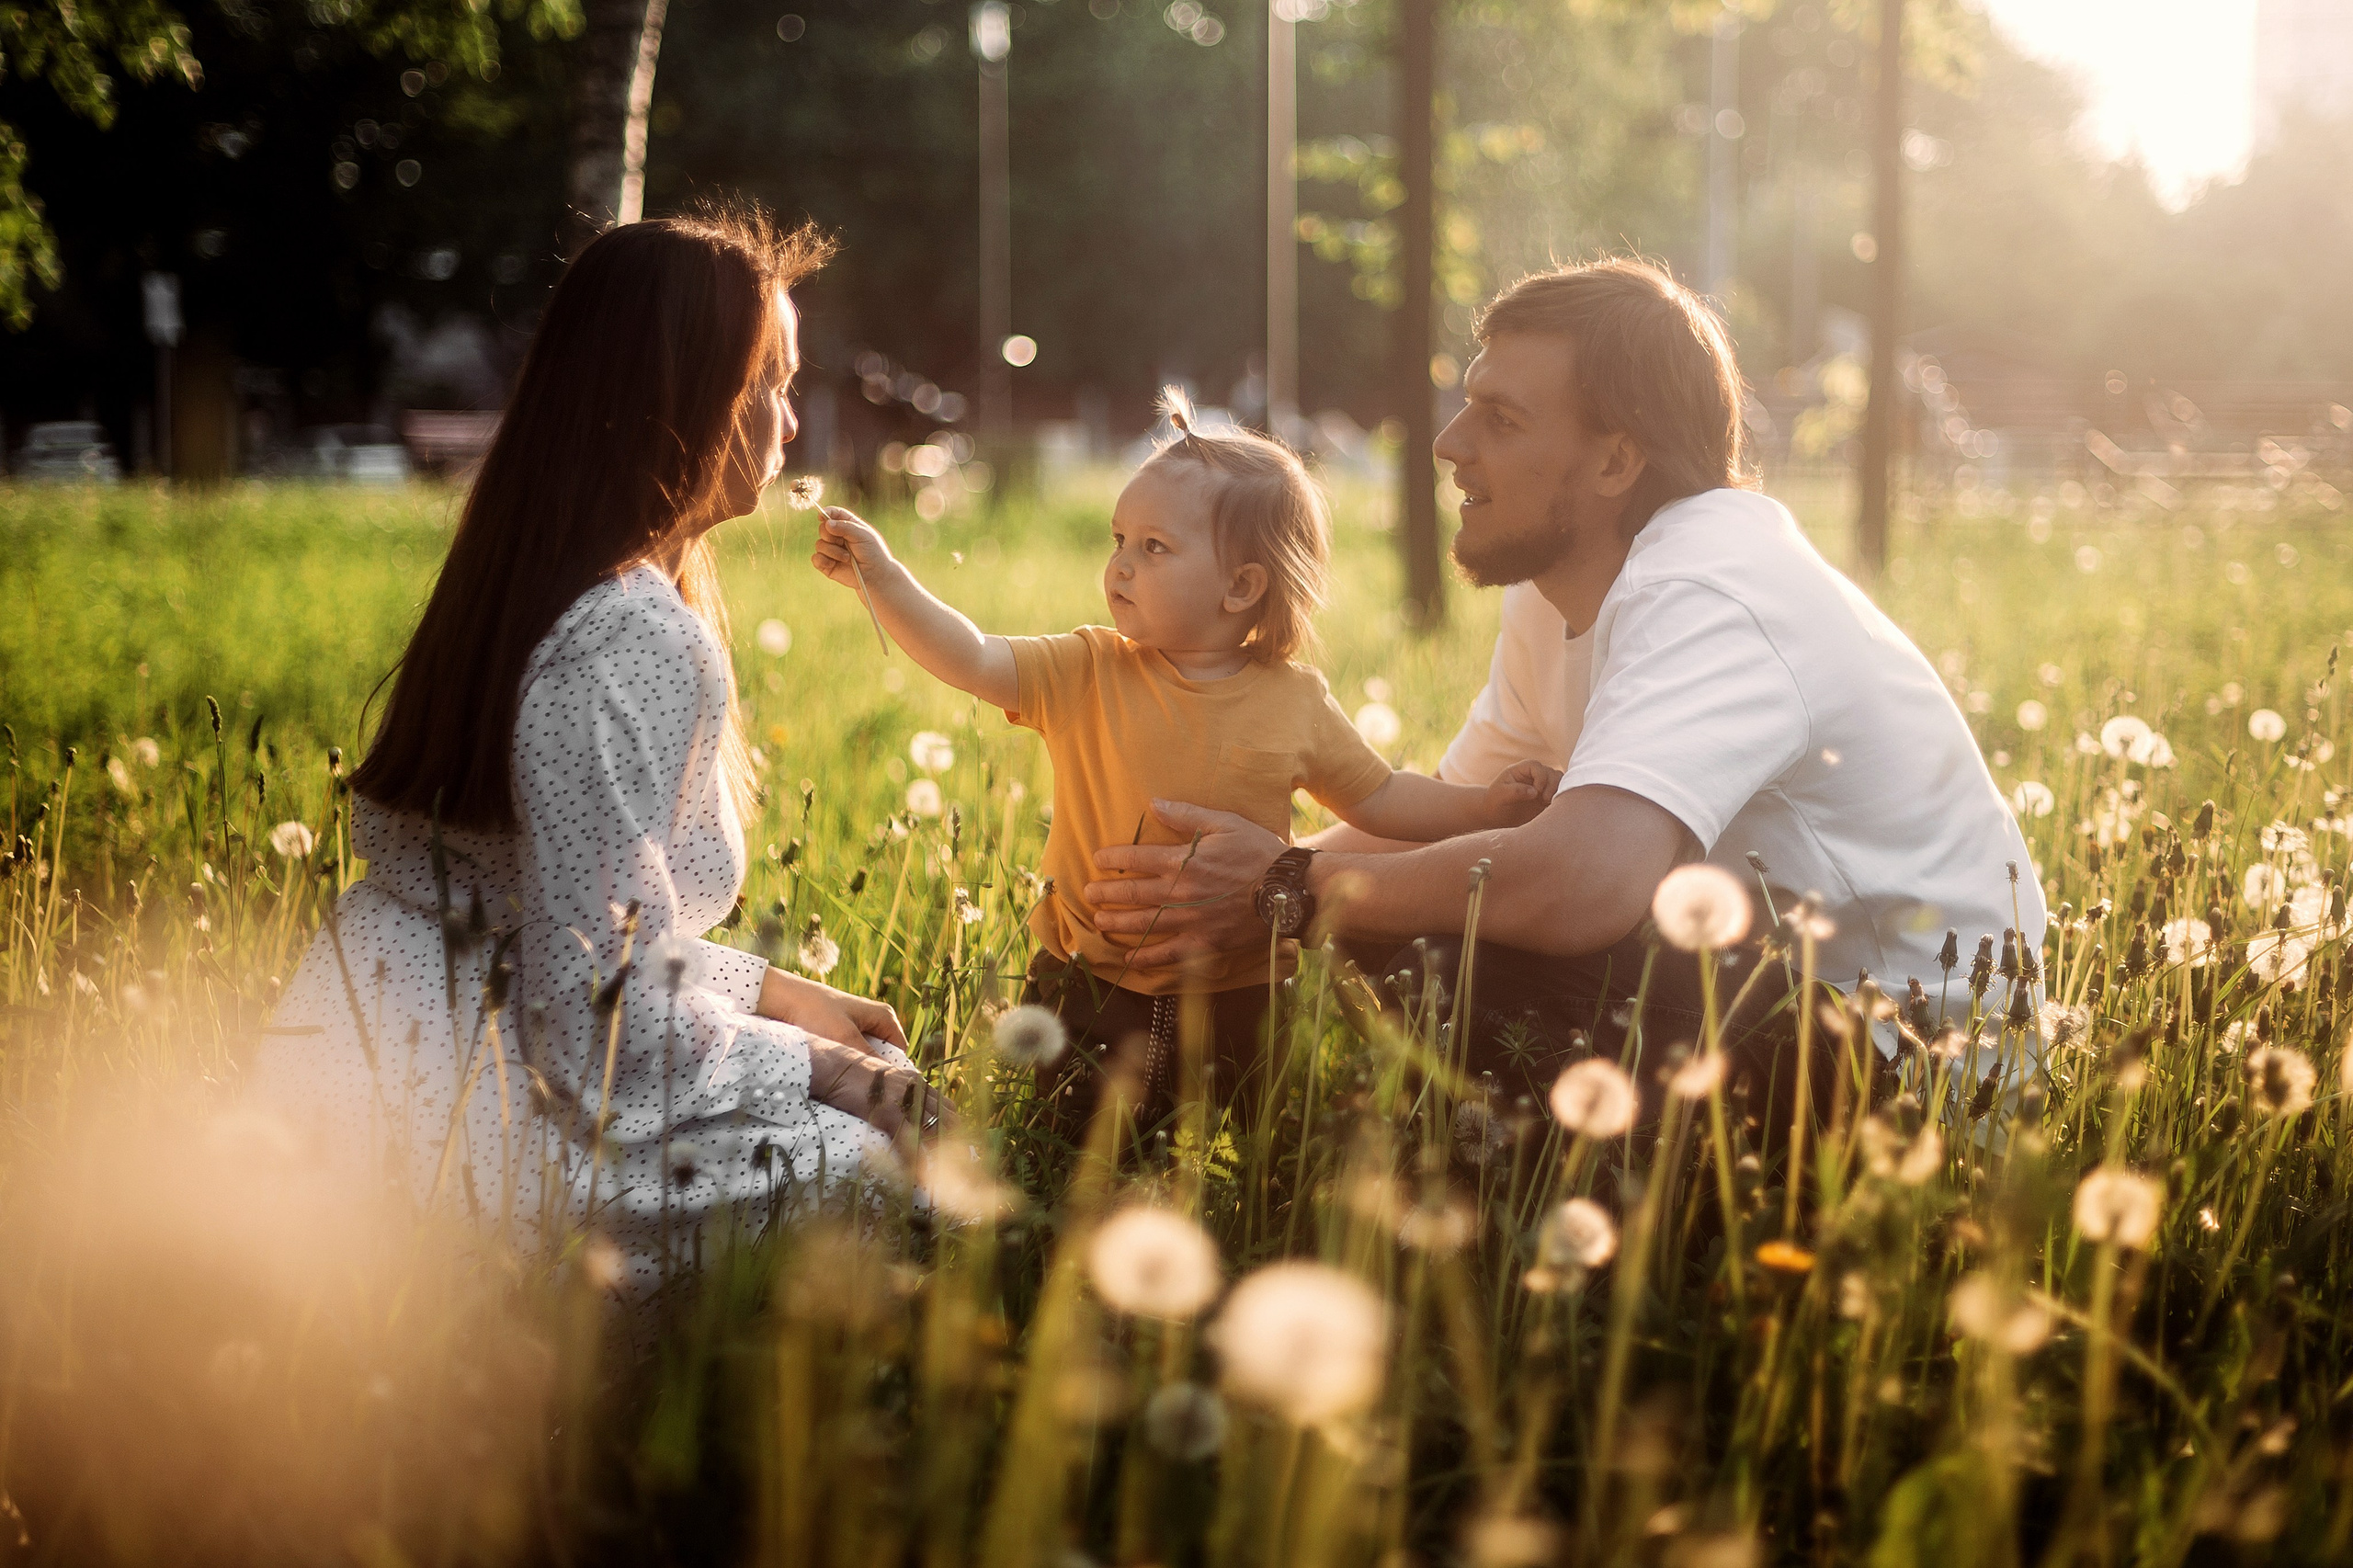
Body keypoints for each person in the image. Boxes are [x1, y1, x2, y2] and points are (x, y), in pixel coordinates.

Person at [1079, 258, 2047, 1102]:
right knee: (1410, 901)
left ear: (1617, 458)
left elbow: (1584, 882)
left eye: (1499, 418)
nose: (1448, 442)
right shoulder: (1558, 591)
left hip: (1907, 1066)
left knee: (1429, 920)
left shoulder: (1710, 588)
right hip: (1776, 1002)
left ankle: (1579, 1232)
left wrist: (1287, 883)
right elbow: (1452, 820)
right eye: (1467, 403)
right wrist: (1180, 896)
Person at [262, 205, 947, 1289]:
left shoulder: (536, 578)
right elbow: (593, 1020)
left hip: (365, 1068)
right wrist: (823, 1071)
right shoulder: (631, 636)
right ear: (685, 398)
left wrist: (768, 990)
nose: (790, 421)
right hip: (476, 1140)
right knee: (884, 1164)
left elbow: (541, 919)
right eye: (769, 384)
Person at [807, 390, 1558, 1119]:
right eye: (1118, 541)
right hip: (1087, 989)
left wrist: (1483, 807)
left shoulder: (1294, 700)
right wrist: (885, 579)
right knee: (1075, 1157)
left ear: (1241, 586)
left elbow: (1383, 797)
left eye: (1154, 547)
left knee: (1237, 1154)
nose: (1121, 566)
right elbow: (968, 654)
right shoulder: (1086, 670)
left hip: (1242, 993)